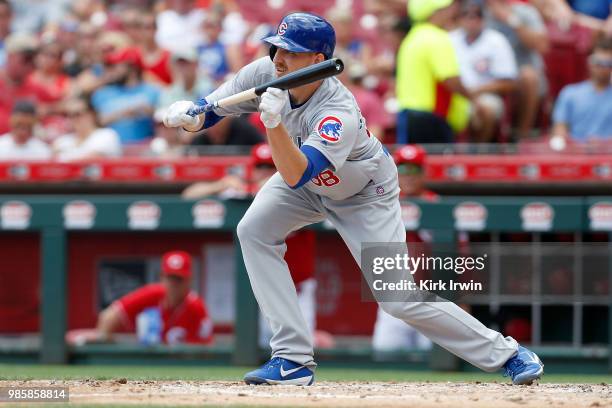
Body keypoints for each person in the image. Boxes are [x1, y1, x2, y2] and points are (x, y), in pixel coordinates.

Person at [163, 11, 543, 386]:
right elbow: (215, 108)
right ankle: (292, 359)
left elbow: (297, 173)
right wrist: (195, 116)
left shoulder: (337, 110)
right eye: (276, 48)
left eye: (290, 52)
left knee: (397, 298)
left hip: (362, 191)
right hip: (309, 184)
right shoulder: (265, 71)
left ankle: (509, 354)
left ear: (318, 61)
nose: (279, 58)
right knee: (253, 231)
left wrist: (274, 124)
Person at [69, 250, 214, 345]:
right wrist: (104, 338)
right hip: (144, 363)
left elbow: (207, 348)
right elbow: (108, 317)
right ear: (162, 278)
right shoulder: (151, 294)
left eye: (179, 279)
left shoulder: (197, 307)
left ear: (189, 280)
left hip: (181, 367)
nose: (173, 284)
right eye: (170, 278)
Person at [396, 0, 472, 143]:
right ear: (433, 13)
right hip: (432, 118)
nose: (451, 12)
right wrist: (472, 99)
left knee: (411, 164)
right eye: (445, 9)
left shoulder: (412, 37)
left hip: (408, 115)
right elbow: (450, 79)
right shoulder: (436, 37)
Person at [451, 0, 518, 142]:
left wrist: (476, 92)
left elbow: (509, 82)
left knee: (486, 109)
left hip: (485, 94)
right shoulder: (450, 39)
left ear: (484, 18)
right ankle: (450, 149)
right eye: (466, 15)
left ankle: (480, 150)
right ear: (459, 18)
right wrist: (466, 94)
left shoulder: (496, 40)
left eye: (477, 15)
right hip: (455, 94)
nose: (471, 20)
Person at [486, 0, 549, 139]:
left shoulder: (525, 12)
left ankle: (522, 137)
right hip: (486, 74)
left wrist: (511, 20)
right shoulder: (475, 12)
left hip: (519, 75)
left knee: (529, 76)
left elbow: (542, 45)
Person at [550, 38, 612, 146]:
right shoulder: (569, 93)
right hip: (575, 157)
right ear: (589, 62)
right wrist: (566, 142)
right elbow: (559, 130)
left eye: (608, 64)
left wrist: (605, 143)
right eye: (599, 63)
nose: (603, 68)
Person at [91, 48, 159, 145]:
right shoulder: (103, 93)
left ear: (131, 67)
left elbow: (161, 119)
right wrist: (125, 112)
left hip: (146, 148)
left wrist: (148, 111)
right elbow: (97, 122)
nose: (112, 70)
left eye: (116, 65)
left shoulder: (152, 91)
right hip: (112, 150)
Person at [52, 96, 122, 161]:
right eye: (67, 115)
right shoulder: (62, 140)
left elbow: (91, 161)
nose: (72, 118)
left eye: (77, 114)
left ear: (91, 114)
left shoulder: (106, 135)